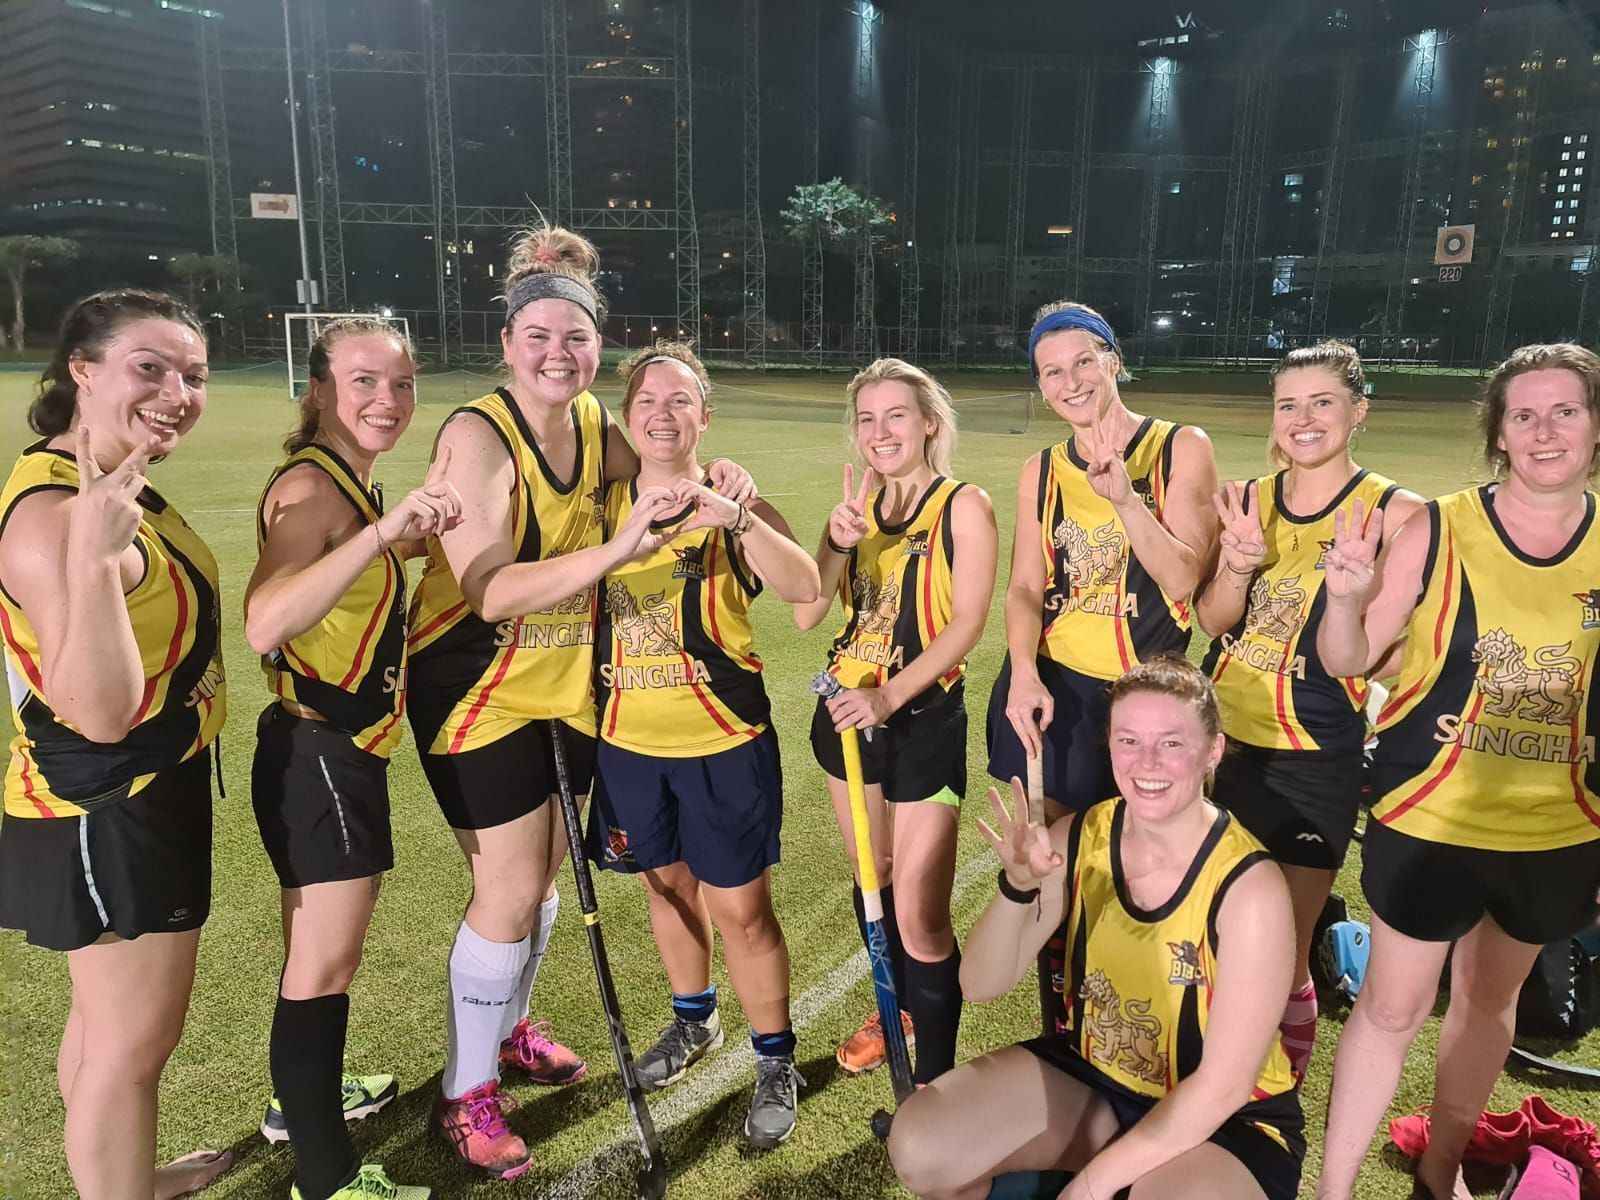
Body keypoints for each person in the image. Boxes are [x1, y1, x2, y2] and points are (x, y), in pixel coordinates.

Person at [405, 225, 753, 1178]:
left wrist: (719, 481)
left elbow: (657, 484)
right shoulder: (478, 433)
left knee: (538, 884)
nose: (559, 355)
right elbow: (487, 588)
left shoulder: (597, 423)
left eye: (578, 339)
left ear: (599, 341)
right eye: (539, 338)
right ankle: (464, 1092)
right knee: (508, 889)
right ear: (508, 340)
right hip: (480, 687)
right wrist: (615, 553)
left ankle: (510, 1031)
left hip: (565, 686)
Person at [1314, 343, 1600, 1200]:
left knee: (1487, 1004)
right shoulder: (1438, 526)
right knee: (1392, 1009)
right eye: (1524, 414)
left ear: (1594, 426)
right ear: (1499, 433)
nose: (1545, 431)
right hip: (1431, 818)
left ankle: (1442, 1168)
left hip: (1560, 830)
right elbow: (1349, 659)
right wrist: (1344, 598)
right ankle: (1331, 1189)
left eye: (1566, 411)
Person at [887, 656, 1304, 1200]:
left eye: (1172, 743)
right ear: (1109, 746)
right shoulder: (1080, 836)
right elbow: (981, 985)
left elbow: (1222, 1088)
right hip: (1097, 1079)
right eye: (1129, 740)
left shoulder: (1251, 889)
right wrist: (1016, 888)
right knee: (921, 1146)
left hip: (1229, 1124)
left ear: (1212, 751)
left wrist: (1087, 1189)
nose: (1147, 761)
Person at [0, 290, 232, 1200]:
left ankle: (124, 1175)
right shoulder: (62, 519)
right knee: (131, 1052)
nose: (177, 391)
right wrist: (95, 562)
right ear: (81, 371)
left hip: (116, 799)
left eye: (193, 375)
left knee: (103, 1034)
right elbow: (97, 710)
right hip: (109, 806)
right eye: (150, 368)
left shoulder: (98, 481)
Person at [245, 318, 461, 1200]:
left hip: (329, 751)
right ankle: (327, 1179)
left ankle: (302, 1106)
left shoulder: (347, 484)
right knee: (324, 965)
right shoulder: (315, 488)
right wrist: (381, 537)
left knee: (315, 955)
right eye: (365, 382)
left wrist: (401, 534)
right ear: (321, 388)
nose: (388, 400)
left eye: (403, 384)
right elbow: (267, 618)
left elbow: (350, 576)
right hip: (321, 754)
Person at [584, 342, 820, 1147]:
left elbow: (804, 588)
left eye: (680, 400)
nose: (662, 413)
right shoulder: (600, 506)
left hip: (722, 739)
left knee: (744, 911)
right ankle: (695, 1022)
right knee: (664, 888)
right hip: (626, 743)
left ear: (704, 416)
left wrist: (743, 516)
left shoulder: (730, 501)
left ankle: (775, 1058)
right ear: (628, 416)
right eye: (647, 400)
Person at [987, 301, 1218, 1034]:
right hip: (1052, 689)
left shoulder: (1180, 448)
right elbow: (1024, 586)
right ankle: (1066, 1031)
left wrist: (1125, 502)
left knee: (1138, 871)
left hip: (1143, 699)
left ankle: (1140, 1026)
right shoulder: (1041, 469)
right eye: (1051, 372)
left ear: (1113, 360)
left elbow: (1185, 581)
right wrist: (1023, 672)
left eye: (1084, 361)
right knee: (1050, 872)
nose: (1071, 381)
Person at [1194, 341, 1422, 1080]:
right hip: (1214, 743)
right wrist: (1237, 563)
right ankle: (1195, 1078)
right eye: (1288, 404)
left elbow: (1371, 658)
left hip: (1310, 756)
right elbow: (1211, 620)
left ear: (1359, 409)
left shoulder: (1399, 514)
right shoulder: (1250, 499)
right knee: (1201, 933)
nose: (1304, 418)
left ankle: (1270, 1098)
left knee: (1280, 954)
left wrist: (1349, 595)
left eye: (1323, 401)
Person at [795, 357, 999, 1084]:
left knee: (920, 915)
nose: (880, 432)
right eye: (867, 418)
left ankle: (936, 1083)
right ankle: (898, 1012)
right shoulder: (854, 514)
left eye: (896, 416)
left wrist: (890, 696)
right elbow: (807, 609)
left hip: (921, 722)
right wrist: (833, 543)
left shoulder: (962, 504)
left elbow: (967, 624)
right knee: (872, 880)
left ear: (928, 424)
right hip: (845, 721)